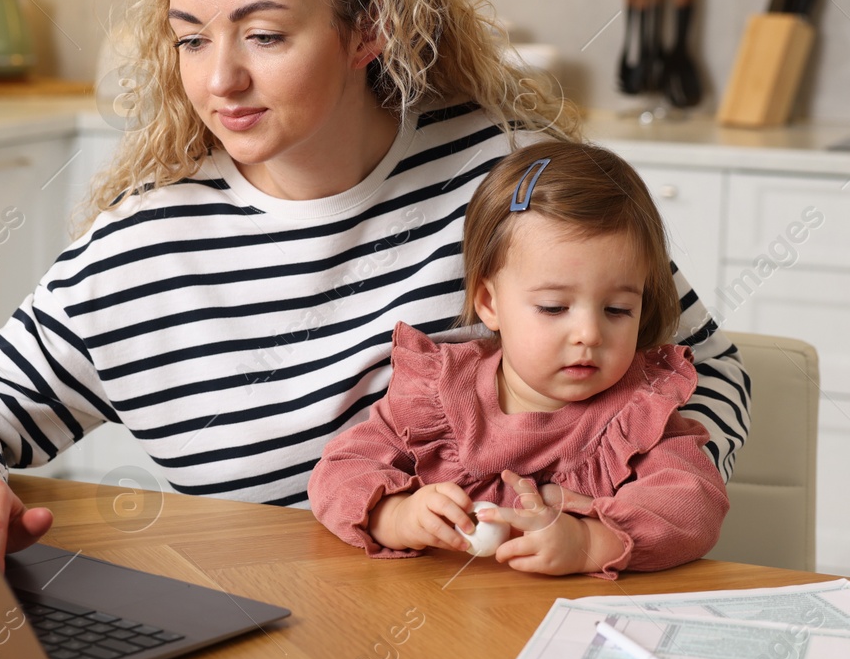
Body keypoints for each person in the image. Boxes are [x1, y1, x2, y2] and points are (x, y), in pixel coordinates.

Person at [0, 0, 750, 571]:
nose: (221, 78)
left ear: (367, 28)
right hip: (266, 648)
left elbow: (706, 368)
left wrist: (619, 516)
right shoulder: (140, 254)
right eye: (191, 39)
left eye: (264, 34)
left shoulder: (509, 183)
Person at [308, 143, 729, 577]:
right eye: (553, 308)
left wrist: (591, 542)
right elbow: (338, 471)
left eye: (618, 310)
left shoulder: (637, 413)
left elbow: (693, 503)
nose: (589, 334)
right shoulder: (437, 395)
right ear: (489, 302)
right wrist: (394, 516)